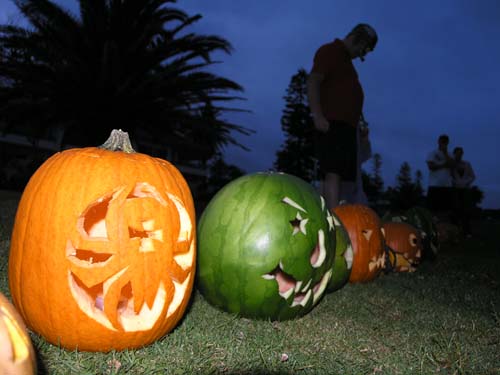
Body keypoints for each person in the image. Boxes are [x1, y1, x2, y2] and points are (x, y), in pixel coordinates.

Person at [307, 23, 378, 209]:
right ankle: (333, 217)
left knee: (347, 178)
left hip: (349, 128)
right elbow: (313, 81)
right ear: (358, 39)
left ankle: (343, 213)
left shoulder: (349, 66)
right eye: (364, 49)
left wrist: (360, 127)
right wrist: (317, 115)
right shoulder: (329, 51)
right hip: (331, 124)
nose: (363, 55)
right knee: (333, 172)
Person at [425, 134, 455, 214]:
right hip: (434, 185)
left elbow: (452, 165)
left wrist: (445, 153)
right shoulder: (432, 153)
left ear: (448, 143)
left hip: (447, 186)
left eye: (445, 141)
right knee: (432, 210)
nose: (443, 143)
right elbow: (431, 166)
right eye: (442, 141)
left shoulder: (450, 154)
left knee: (445, 210)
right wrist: (444, 165)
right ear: (438, 141)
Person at [451, 146, 476, 236]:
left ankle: (467, 231)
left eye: (461, 153)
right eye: (457, 153)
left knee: (466, 210)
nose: (459, 155)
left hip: (465, 190)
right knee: (455, 210)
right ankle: (455, 231)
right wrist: (454, 183)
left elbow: (472, 176)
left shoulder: (467, 164)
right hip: (455, 190)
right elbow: (448, 176)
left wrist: (465, 183)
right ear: (454, 154)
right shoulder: (451, 165)